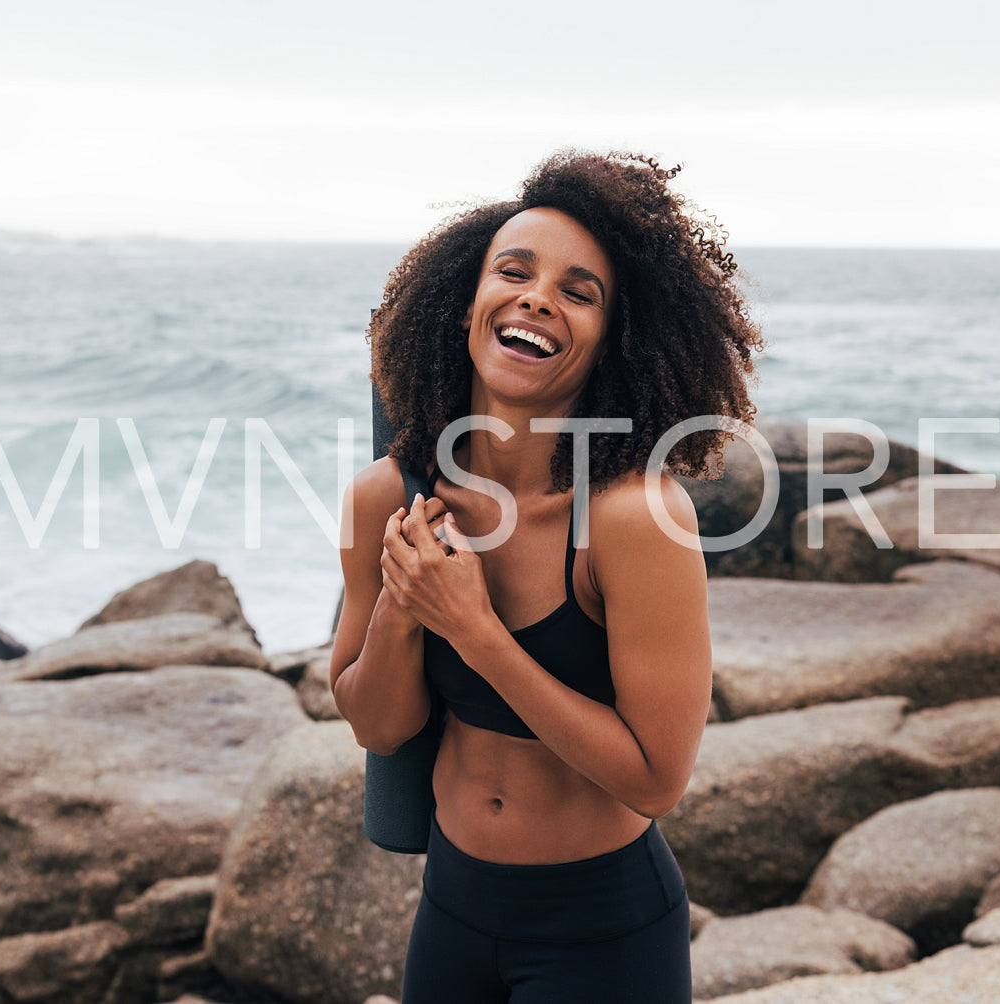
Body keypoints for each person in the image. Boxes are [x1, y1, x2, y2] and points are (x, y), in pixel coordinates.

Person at [329, 150, 762, 1003]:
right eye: (514, 271)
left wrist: (475, 632)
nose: (537, 297)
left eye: (578, 291)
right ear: (465, 308)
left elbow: (655, 779)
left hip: (599, 930)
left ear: (612, 341)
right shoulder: (387, 495)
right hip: (451, 910)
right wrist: (404, 608)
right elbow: (377, 727)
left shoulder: (633, 520)